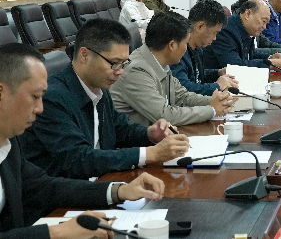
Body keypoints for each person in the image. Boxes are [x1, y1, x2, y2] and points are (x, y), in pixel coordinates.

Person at [0, 43, 165, 239]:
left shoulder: (9, 143)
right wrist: (56, 232)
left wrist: (118, 191)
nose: (40, 108)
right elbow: (77, 158)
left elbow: (44, 187)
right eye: (35, 96)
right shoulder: (54, 99)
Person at [18, 19, 190, 180]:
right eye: (114, 63)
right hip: (66, 195)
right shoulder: (52, 98)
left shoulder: (99, 87)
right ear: (84, 55)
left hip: (100, 182)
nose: (120, 71)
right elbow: (78, 159)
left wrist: (150, 134)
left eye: (123, 63)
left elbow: (120, 129)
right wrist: (151, 154)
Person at [110, 12, 236, 126]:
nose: (187, 49)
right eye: (185, 43)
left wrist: (216, 101)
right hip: (136, 141)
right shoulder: (136, 71)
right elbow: (165, 115)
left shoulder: (159, 61)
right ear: (172, 45)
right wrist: (212, 110)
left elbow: (182, 97)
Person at [170, 0, 239, 96]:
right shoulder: (178, 50)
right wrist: (217, 86)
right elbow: (183, 88)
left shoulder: (198, 48)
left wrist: (218, 73)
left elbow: (197, 76)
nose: (215, 38)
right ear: (200, 26)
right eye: (214, 33)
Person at [205, 0, 281, 70]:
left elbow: (251, 55)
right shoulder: (226, 31)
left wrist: (270, 58)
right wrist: (269, 64)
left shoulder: (244, 27)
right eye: (263, 21)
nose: (264, 27)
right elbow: (234, 66)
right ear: (248, 14)